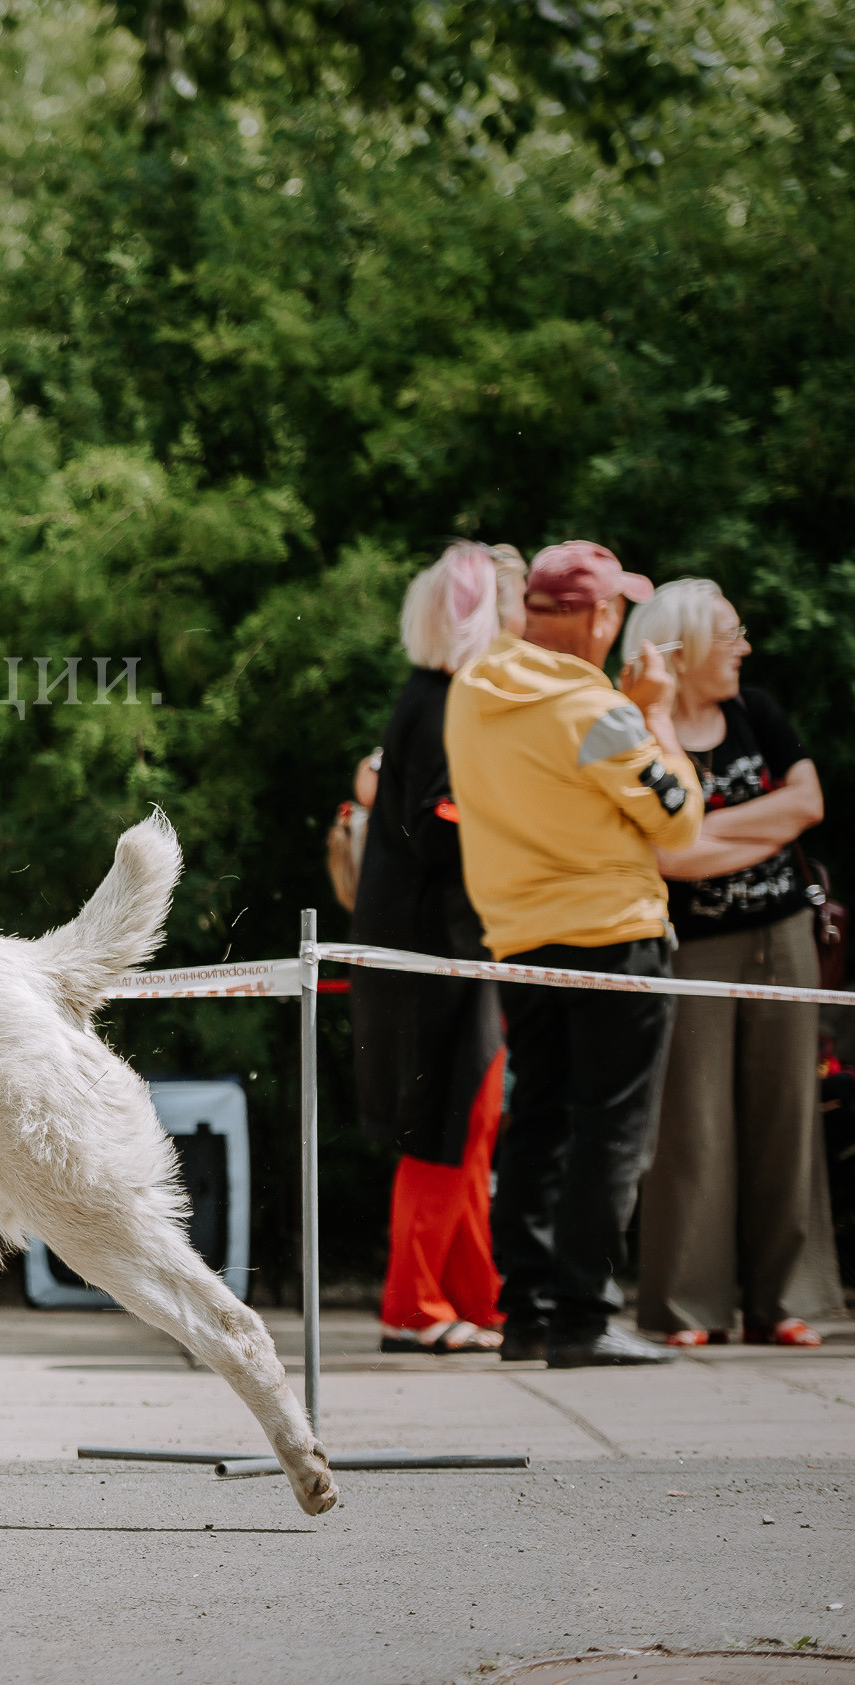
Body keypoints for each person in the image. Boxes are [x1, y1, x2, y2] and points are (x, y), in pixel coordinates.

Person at [444, 540, 703, 1369]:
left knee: (541, 1124)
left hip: (518, 939)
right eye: (618, 610)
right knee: (611, 1132)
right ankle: (584, 1318)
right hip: (614, 939)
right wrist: (657, 712)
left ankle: (526, 1314)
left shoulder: (471, 690)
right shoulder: (602, 711)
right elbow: (680, 822)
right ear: (599, 618)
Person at [625, 578, 838, 1347]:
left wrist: (714, 836)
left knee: (788, 1113)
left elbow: (808, 803)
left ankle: (784, 1299)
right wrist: (759, 828)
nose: (743, 646)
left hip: (782, 936)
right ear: (682, 647)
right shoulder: (642, 729)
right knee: (693, 1123)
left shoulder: (758, 713)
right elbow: (668, 854)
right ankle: (687, 1306)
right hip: (697, 945)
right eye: (729, 633)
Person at [350, 542, 523, 1354]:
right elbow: (437, 822)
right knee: (444, 1117)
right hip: (436, 946)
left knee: (473, 1119)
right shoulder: (445, 701)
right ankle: (412, 1305)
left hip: (446, 940)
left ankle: (473, 1296)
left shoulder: (435, 697)